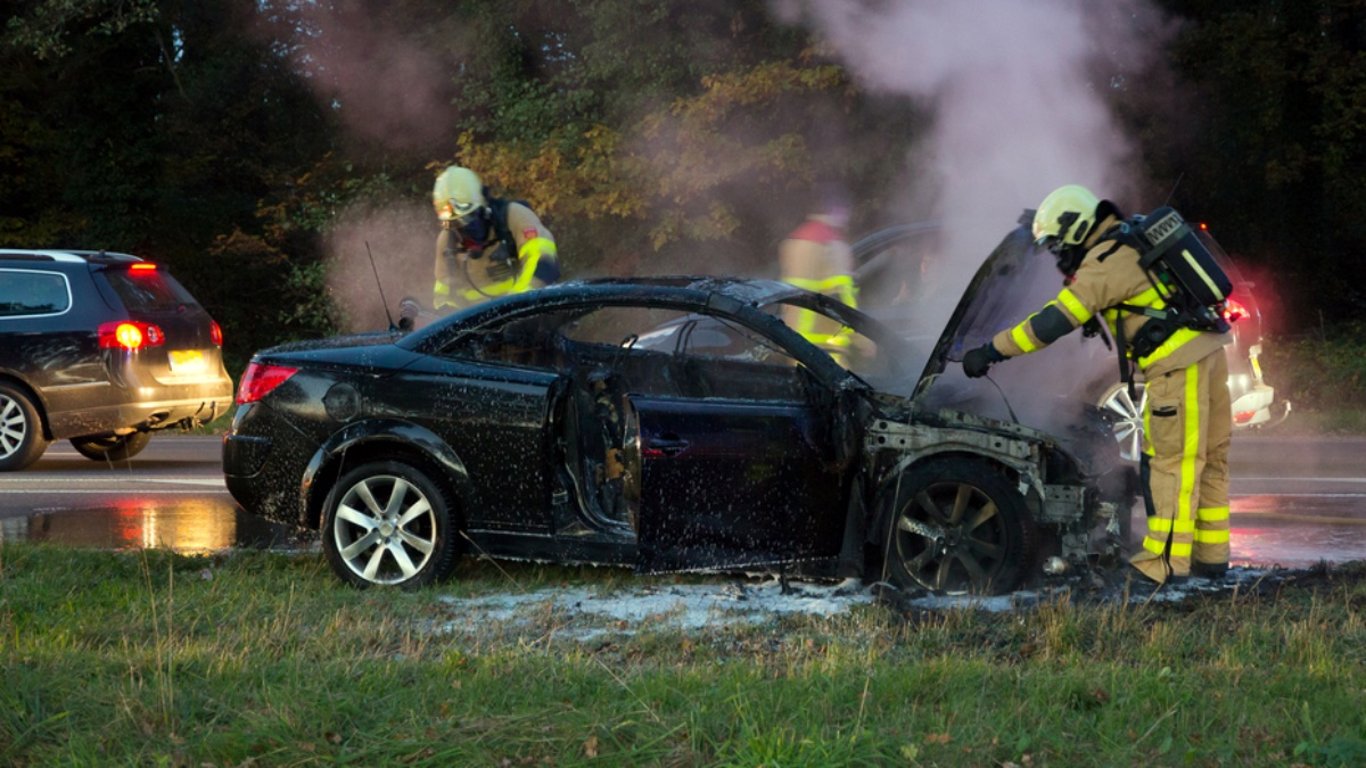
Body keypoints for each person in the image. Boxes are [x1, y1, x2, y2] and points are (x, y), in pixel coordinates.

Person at [961, 184, 1232, 585]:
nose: (1056, 255)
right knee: (1209, 458)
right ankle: (1211, 557)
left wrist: (992, 350)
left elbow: (1051, 322)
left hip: (1178, 367)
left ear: (1074, 228)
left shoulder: (1104, 263)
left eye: (1056, 244)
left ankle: (1164, 566)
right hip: (1209, 354)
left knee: (1173, 465)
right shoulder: (1126, 241)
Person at [430, 165, 560, 311]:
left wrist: (515, 306)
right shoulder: (447, 242)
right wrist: (450, 316)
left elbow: (543, 262)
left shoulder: (514, 217)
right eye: (454, 225)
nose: (463, 233)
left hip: (530, 314)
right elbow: (444, 296)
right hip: (481, 328)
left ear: (484, 210)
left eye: (468, 220)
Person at [778, 187, 858, 364]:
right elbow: (844, 298)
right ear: (837, 210)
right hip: (826, 348)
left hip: (794, 342)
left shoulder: (794, 241)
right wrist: (863, 337)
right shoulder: (833, 245)